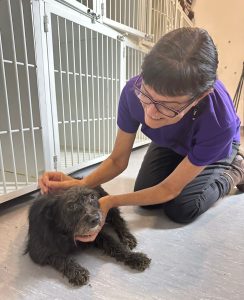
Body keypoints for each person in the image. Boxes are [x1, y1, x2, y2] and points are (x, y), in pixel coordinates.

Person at [39, 27, 244, 242]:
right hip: (171, 141)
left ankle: (235, 169)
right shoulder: (132, 91)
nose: (150, 114)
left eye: (168, 106)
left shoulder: (220, 123)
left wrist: (109, 202)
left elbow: (169, 189)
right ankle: (180, 156)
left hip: (215, 148)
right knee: (146, 200)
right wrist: (80, 183)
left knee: (182, 209)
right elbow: (118, 160)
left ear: (200, 97)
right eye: (147, 94)